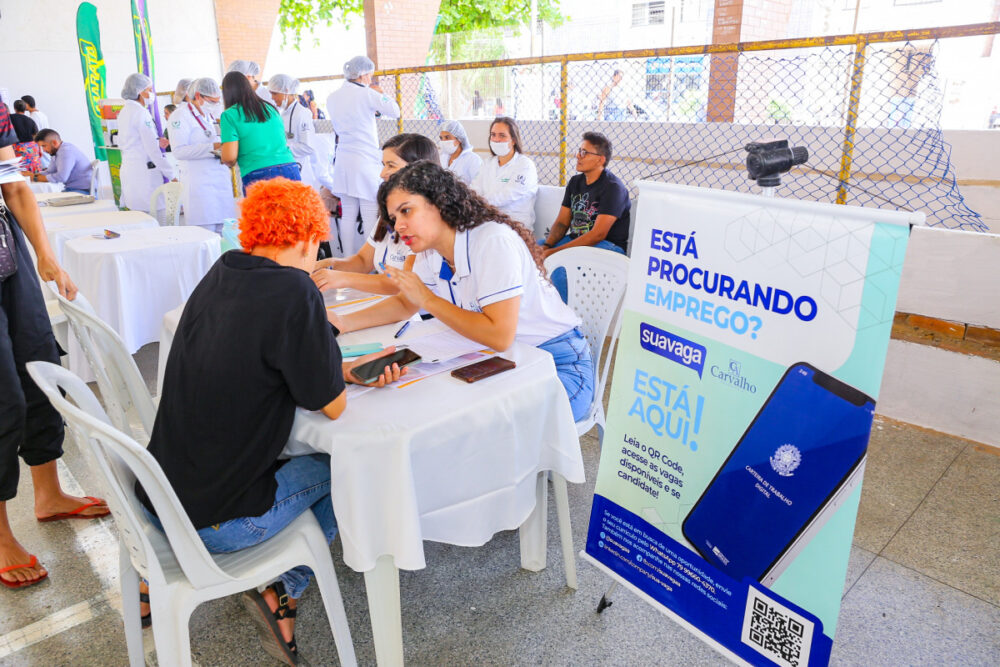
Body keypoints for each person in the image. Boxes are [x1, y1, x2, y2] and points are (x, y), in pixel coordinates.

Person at [136, 177, 405, 663]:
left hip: (159, 497)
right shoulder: (294, 291)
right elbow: (335, 407)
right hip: (219, 522)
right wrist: (333, 367)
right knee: (347, 467)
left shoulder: (224, 269)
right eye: (317, 245)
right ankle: (285, 591)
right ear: (305, 238)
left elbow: (260, 357)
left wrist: (334, 368)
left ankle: (172, 586)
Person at [331, 161, 595, 422]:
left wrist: (427, 298)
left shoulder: (492, 241)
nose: (398, 225)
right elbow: (404, 305)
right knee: (436, 414)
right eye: (394, 217)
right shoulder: (431, 250)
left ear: (439, 203)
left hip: (556, 365)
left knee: (483, 432)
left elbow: (499, 335)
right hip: (502, 360)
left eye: (406, 211)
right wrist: (341, 323)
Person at [0, 101, 109, 590]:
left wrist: (45, 256)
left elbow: (14, 185)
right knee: (3, 400)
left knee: (42, 369)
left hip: (8, 256)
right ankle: (1, 535)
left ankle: (50, 494)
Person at [312, 133, 437, 294]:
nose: (382, 173)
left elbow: (404, 284)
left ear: (417, 168)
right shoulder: (389, 214)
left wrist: (341, 278)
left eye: (391, 165)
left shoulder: (427, 221)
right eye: (383, 164)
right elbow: (363, 261)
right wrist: (323, 266)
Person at [540, 132, 630, 302]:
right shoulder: (575, 182)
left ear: (600, 159)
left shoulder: (613, 187)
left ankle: (567, 321)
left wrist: (553, 252)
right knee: (531, 250)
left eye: (584, 152)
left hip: (607, 247)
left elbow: (598, 234)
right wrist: (546, 246)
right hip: (578, 240)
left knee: (562, 269)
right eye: (579, 151)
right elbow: (561, 222)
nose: (577, 156)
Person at [325, 55, 401, 256]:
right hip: (364, 160)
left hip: (342, 159)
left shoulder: (332, 97)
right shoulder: (367, 94)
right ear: (363, 74)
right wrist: (381, 93)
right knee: (369, 213)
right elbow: (395, 111)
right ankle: (370, 260)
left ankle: (349, 259)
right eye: (370, 75)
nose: (371, 79)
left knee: (348, 213)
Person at [168, 78, 235, 232]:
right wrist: (213, 147)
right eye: (212, 101)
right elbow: (179, 151)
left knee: (226, 236)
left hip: (220, 183)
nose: (215, 105)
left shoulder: (209, 115)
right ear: (198, 96)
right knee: (205, 237)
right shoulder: (180, 116)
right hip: (200, 187)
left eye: (218, 101)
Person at [219, 71, 299, 189]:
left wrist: (223, 154)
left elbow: (229, 157)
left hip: (259, 173)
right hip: (290, 168)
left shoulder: (229, 115)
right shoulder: (270, 108)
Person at [117, 73, 174, 212]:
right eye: (149, 90)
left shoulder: (124, 112)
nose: (151, 94)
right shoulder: (141, 113)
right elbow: (153, 151)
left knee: (139, 220)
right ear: (140, 92)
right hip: (145, 175)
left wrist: (156, 139)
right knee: (156, 220)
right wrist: (172, 175)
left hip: (130, 172)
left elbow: (132, 140)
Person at [268, 74, 332, 193]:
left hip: (301, 171)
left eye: (275, 94)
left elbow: (308, 147)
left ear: (286, 91)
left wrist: (281, 148)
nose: (272, 98)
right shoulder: (283, 114)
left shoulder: (302, 113)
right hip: (287, 169)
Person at [471, 116, 538, 228]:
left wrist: (478, 204)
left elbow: (507, 195)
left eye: (502, 135)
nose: (496, 139)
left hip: (515, 225)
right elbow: (475, 189)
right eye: (493, 135)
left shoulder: (525, 165)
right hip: (488, 221)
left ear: (514, 140)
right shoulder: (487, 163)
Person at [22, 130, 94, 195]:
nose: (43, 150)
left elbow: (61, 177)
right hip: (74, 190)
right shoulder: (56, 151)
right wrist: (33, 175)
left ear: (54, 142)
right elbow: (50, 171)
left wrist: (35, 178)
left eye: (44, 146)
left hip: (83, 192)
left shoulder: (66, 151)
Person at [438, 119, 481, 185]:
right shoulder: (442, 158)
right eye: (441, 138)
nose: (443, 141)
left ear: (459, 139)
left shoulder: (473, 160)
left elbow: (478, 186)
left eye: (447, 137)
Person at [10, 101, 41, 173]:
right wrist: (39, 149)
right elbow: (36, 136)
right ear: (25, 109)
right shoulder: (31, 120)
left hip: (18, 148)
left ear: (15, 108)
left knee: (19, 173)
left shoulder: (10, 118)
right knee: (32, 173)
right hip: (32, 148)